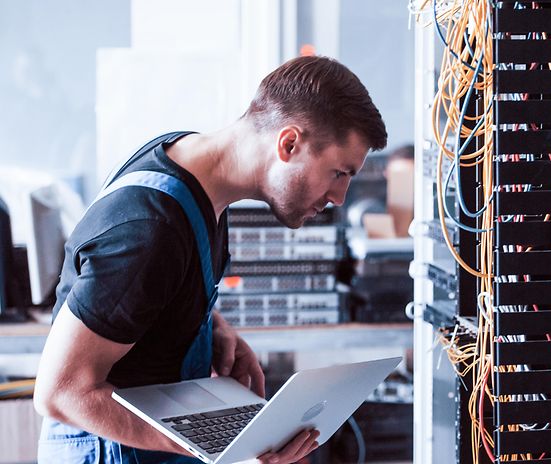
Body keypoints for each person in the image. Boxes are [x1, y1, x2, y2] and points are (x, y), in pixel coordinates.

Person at [33, 55, 387, 464]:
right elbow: (60, 391)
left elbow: (147, 292)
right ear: (288, 144)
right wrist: (225, 446)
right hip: (105, 449)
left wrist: (211, 329)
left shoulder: (194, 174)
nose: (339, 198)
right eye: (339, 173)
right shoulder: (151, 227)